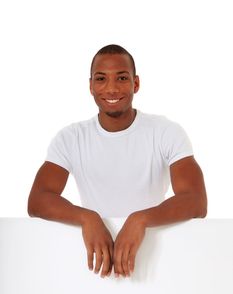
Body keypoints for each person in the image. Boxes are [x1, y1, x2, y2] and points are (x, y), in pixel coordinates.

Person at [28, 44, 207, 279]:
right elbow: (38, 200)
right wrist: (87, 217)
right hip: (92, 265)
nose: (111, 88)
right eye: (101, 79)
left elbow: (196, 200)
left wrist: (140, 219)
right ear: (90, 86)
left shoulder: (166, 132)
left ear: (136, 84)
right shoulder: (71, 137)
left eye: (121, 78)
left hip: (159, 257)